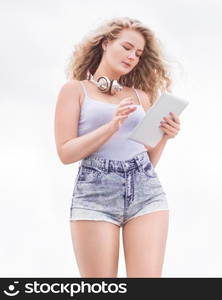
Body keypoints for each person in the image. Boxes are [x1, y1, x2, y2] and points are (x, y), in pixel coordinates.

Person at [54, 17, 181, 278]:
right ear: (105, 42)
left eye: (138, 53)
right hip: (95, 195)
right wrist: (111, 126)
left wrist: (165, 136)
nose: (133, 56)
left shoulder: (140, 96)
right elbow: (66, 152)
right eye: (127, 47)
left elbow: (147, 161)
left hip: (146, 190)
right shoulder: (75, 90)